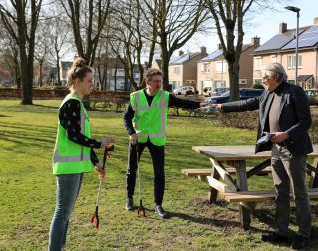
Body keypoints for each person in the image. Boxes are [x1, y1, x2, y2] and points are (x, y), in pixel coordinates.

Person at [213, 63, 313, 250]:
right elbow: (246, 104)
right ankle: (281, 231)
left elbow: (306, 121)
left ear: (276, 76)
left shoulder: (294, 92)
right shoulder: (267, 93)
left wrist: (287, 134)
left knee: (299, 193)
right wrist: (221, 107)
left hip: (293, 149)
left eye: (265, 77)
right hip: (275, 149)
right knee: (280, 191)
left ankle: (303, 234)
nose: (262, 80)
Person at [48, 57, 115, 250]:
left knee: (65, 214)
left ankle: (59, 247)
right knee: (62, 213)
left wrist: (95, 162)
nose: (92, 85)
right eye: (89, 81)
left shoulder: (78, 104)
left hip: (75, 167)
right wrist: (99, 144)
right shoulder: (72, 103)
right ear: (77, 81)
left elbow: (82, 139)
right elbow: (73, 136)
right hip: (68, 167)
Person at [123, 68, 207, 218]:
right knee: (132, 170)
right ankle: (129, 198)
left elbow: (183, 103)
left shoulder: (165, 96)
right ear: (147, 82)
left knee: (159, 173)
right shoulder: (135, 97)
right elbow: (126, 118)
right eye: (155, 81)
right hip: (138, 138)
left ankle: (158, 205)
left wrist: (200, 105)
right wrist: (131, 133)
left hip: (157, 139)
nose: (158, 84)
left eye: (160, 81)